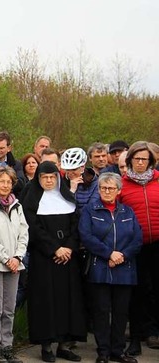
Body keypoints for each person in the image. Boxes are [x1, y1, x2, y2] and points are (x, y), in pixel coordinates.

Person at [22, 162, 86, 362]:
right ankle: (47, 346)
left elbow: (76, 225)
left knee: (68, 300)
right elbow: (33, 228)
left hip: (68, 259)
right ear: (38, 179)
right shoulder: (32, 200)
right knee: (46, 302)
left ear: (58, 178)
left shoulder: (67, 198)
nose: (49, 181)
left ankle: (64, 345)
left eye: (52, 177)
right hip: (44, 259)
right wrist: (54, 248)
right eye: (44, 177)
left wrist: (68, 247)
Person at [79, 172, 142, 363]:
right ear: (98, 190)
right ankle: (103, 351)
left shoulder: (128, 212)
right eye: (103, 188)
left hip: (125, 268)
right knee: (101, 311)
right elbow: (86, 236)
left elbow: (137, 238)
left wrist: (122, 255)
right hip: (100, 267)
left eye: (111, 188)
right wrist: (109, 254)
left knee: (121, 312)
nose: (106, 191)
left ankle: (118, 350)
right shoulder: (90, 210)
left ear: (118, 191)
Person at [118, 141, 159, 356]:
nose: (141, 163)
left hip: (158, 244)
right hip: (134, 246)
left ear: (151, 161)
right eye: (137, 159)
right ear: (130, 160)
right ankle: (135, 337)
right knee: (137, 292)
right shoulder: (122, 184)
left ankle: (153, 331)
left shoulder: (158, 181)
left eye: (145, 159)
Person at [0, 167, 29, 363]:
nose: (5, 185)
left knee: (9, 308)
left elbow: (23, 233)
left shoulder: (17, 206)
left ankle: (7, 347)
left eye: (9, 182)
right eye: (1, 181)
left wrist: (18, 257)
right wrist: (5, 259)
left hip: (15, 265)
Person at [61, 147, 99, 211]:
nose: (70, 173)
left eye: (74, 169)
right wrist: (72, 191)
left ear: (82, 167)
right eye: (67, 170)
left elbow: (92, 208)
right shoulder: (62, 182)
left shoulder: (95, 183)